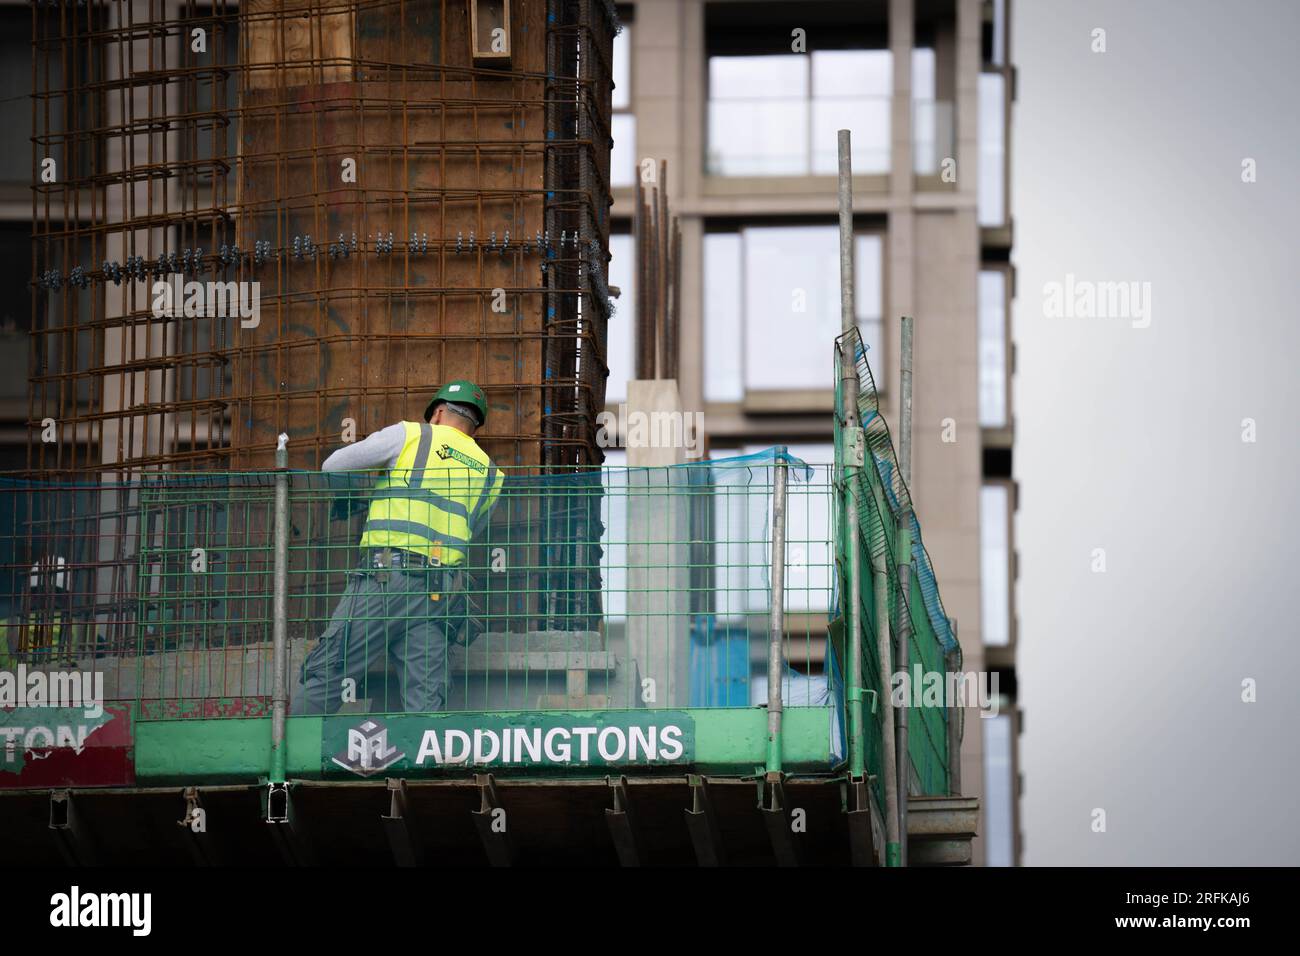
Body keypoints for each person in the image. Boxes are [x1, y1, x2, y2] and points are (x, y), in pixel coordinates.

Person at [292, 381, 503, 715]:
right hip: (440, 596)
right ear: (474, 426)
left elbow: (333, 466)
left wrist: (351, 498)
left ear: (438, 412)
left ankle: (290, 758)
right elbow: (469, 530)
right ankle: (426, 762)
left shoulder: (411, 435)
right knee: (426, 699)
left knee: (329, 670)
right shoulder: (491, 474)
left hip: (386, 581)